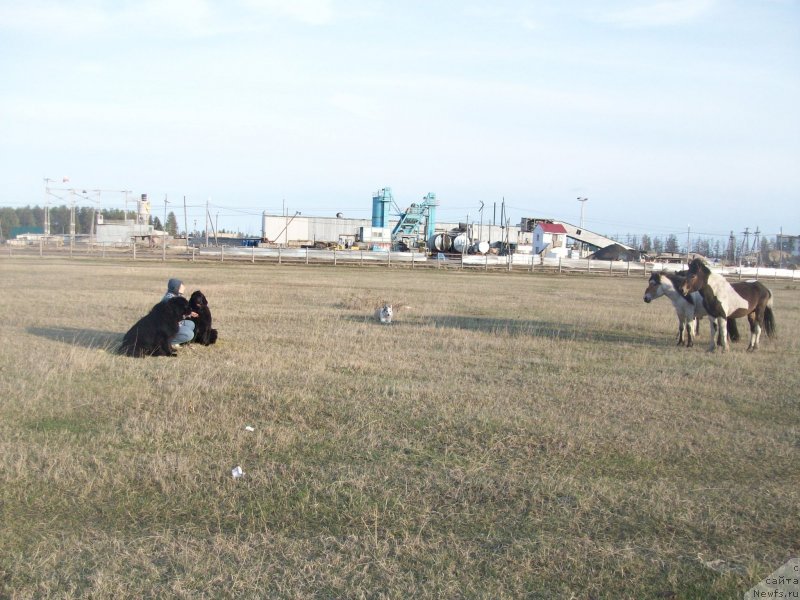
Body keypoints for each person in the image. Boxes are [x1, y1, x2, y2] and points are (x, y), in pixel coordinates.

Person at [162, 278, 198, 347]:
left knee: (191, 324)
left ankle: (175, 340)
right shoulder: (169, 300)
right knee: (189, 334)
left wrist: (189, 314)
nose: (183, 287)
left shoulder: (173, 295)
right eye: (181, 286)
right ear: (175, 288)